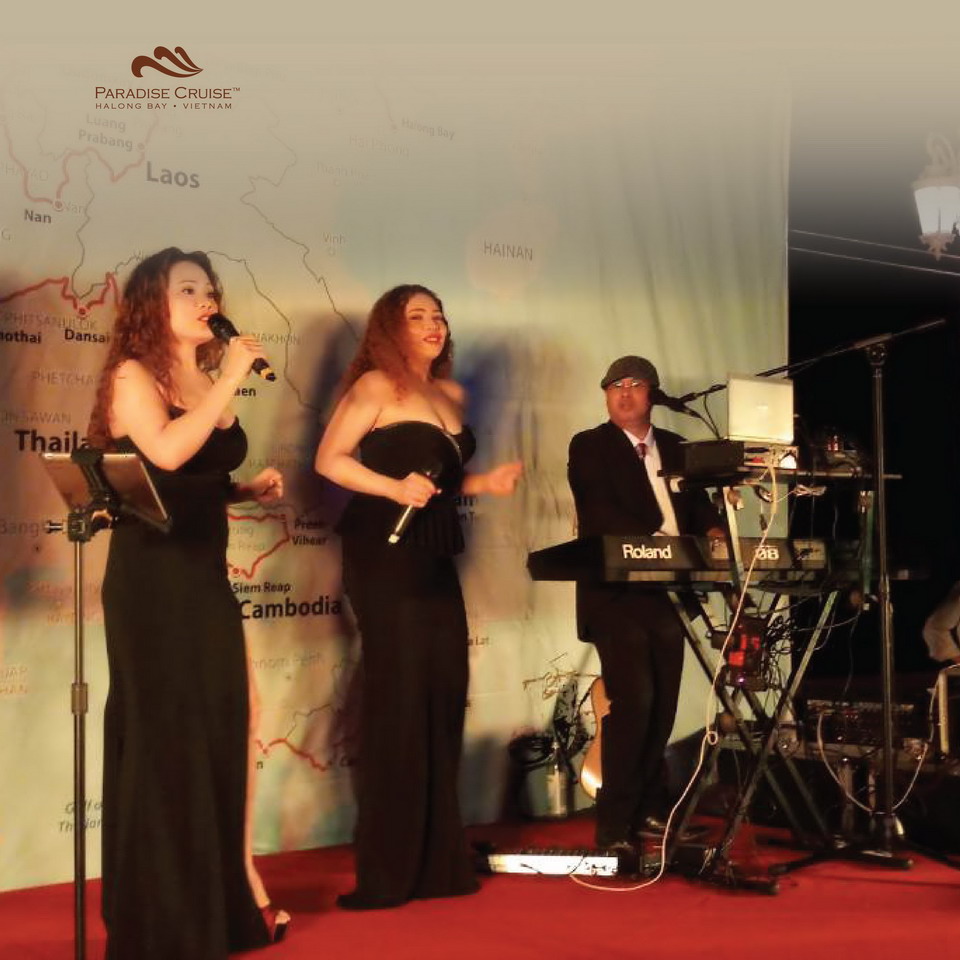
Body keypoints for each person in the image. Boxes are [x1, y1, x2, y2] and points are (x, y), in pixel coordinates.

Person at [87, 248, 289, 959]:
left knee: (223, 721)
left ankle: (218, 895)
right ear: (152, 302)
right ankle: (164, 913)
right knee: (169, 735)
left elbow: (189, 477)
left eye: (209, 288)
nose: (206, 300)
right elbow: (165, 454)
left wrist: (242, 490)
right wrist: (231, 374)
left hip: (202, 574)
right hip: (153, 582)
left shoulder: (200, 374)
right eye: (187, 289)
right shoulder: (132, 375)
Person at [314, 283, 521, 910]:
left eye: (438, 315)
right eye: (417, 316)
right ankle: (388, 871)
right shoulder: (377, 386)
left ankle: (437, 864)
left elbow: (441, 483)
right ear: (391, 328)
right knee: (399, 704)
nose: (433, 324)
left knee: (441, 694)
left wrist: (484, 483)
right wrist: (391, 487)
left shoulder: (449, 395)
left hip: (434, 556)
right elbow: (329, 460)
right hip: (384, 552)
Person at [567, 355, 723, 853]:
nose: (624, 392)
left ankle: (650, 811)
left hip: (669, 593)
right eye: (614, 385)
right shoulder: (589, 445)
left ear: (652, 393)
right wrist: (662, 543)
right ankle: (614, 826)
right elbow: (598, 510)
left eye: (634, 384)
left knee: (662, 705)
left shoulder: (677, 447)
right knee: (633, 703)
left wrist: (714, 530)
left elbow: (700, 505)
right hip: (617, 592)